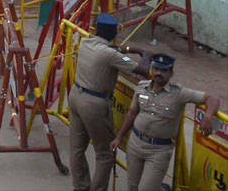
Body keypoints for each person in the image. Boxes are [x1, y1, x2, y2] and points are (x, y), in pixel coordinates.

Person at [111, 53, 221, 191]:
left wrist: (208, 116)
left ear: (171, 73)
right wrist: (119, 137)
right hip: (135, 144)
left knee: (145, 189)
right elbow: (132, 113)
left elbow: (213, 99)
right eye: (156, 69)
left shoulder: (179, 93)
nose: (158, 73)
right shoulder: (141, 86)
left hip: (158, 151)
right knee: (133, 186)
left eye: (163, 70)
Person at [68, 13, 152, 191]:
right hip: (95, 104)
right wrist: (146, 55)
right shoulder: (109, 54)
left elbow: (114, 50)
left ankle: (80, 186)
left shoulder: (86, 42)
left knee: (76, 148)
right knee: (105, 153)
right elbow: (143, 69)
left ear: (96, 29)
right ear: (114, 35)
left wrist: (132, 49)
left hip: (76, 95)